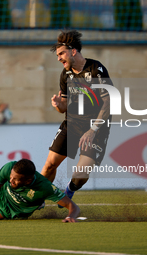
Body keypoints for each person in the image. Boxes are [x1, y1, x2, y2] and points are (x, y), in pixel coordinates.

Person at [41, 30, 112, 204]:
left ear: (73, 51)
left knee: (80, 174)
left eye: (61, 53)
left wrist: (93, 130)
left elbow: (109, 102)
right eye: (57, 55)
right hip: (72, 123)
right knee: (50, 164)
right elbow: (64, 106)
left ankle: (69, 190)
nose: (58, 58)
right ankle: (38, 197)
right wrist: (59, 104)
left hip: (96, 126)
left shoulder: (96, 69)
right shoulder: (65, 74)